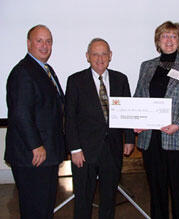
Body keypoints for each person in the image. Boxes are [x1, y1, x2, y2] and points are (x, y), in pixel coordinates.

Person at [134, 21, 179, 219]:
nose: (169, 40)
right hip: (151, 140)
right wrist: (137, 120)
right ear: (158, 41)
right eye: (165, 36)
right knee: (156, 193)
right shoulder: (146, 66)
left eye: (173, 36)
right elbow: (139, 96)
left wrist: (178, 124)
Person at [65, 38, 134, 219]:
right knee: (83, 200)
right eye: (95, 54)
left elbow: (126, 111)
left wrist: (129, 139)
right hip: (84, 152)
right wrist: (75, 149)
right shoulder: (75, 81)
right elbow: (70, 118)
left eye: (104, 54)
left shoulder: (121, 79)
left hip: (112, 149)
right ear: (87, 56)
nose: (100, 58)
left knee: (109, 199)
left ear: (110, 56)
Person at [5, 24, 65, 219]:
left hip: (46, 155)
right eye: (39, 41)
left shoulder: (45, 69)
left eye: (48, 41)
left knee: (44, 208)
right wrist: (36, 145)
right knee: (35, 210)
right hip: (33, 156)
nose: (44, 45)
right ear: (29, 43)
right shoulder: (23, 72)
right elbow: (20, 113)